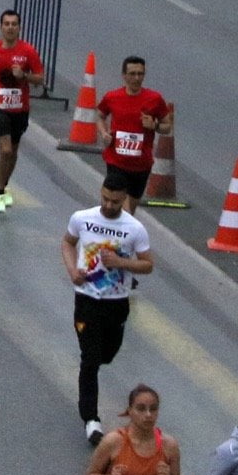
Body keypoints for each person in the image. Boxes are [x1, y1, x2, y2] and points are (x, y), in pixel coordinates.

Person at [63, 181, 154, 443]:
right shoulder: (82, 218)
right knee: (89, 359)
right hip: (87, 299)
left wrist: (121, 262)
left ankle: (95, 367)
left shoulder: (134, 229)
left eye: (114, 201)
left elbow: (148, 265)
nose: (108, 205)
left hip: (116, 302)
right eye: (105, 198)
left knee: (108, 354)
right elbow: (68, 243)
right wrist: (72, 271)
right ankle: (90, 419)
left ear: (124, 198)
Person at [0, 8, 45, 213]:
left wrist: (24, 75)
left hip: (19, 108)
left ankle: (4, 186)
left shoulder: (28, 51)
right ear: (1, 27)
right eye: (6, 24)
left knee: (13, 151)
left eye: (14, 24)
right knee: (5, 149)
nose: (10, 28)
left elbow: (40, 79)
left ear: (19, 27)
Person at [97, 57, 175, 214]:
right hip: (116, 161)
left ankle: (121, 236)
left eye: (140, 74)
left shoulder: (154, 99)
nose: (137, 78)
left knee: (130, 210)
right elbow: (100, 115)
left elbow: (167, 127)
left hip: (141, 164)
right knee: (119, 207)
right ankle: (112, 234)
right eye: (132, 74)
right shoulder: (112, 97)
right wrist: (104, 133)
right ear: (124, 75)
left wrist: (155, 126)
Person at [86, 383, 181, 475]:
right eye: (141, 409)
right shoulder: (113, 442)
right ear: (130, 411)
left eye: (153, 409)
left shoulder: (169, 446)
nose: (148, 414)